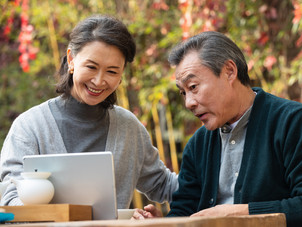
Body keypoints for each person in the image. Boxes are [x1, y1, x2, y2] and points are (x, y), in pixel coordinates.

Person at [132, 31, 302, 227]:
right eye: (183, 93)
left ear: (229, 72)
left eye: (193, 87)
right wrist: (164, 223)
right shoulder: (198, 144)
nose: (189, 103)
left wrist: (239, 213)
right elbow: (185, 210)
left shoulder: (294, 123)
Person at [0, 15, 178, 207]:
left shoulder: (129, 128)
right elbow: (10, 200)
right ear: (71, 59)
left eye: (112, 71)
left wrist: (209, 157)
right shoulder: (30, 127)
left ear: (121, 75)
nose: (99, 81)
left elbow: (164, 185)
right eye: (91, 67)